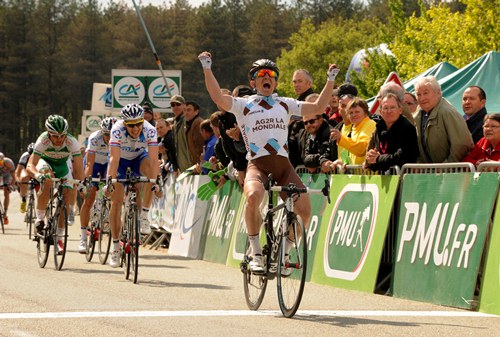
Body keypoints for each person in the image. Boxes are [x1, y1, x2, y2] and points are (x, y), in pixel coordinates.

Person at [198, 51, 339, 273]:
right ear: (253, 81)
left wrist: (330, 79)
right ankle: (255, 253)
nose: (267, 77)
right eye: (261, 74)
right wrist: (207, 67)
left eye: (272, 74)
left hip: (284, 167)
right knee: (253, 196)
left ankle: (283, 254)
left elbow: (319, 108)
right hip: (257, 165)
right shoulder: (243, 104)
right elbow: (217, 97)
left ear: (275, 81)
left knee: (304, 211)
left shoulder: (285, 103)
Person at [107, 104, 159, 268]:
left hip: (138, 158)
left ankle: (144, 215)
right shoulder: (116, 129)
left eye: (139, 124)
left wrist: (155, 181)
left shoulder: (150, 129)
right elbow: (114, 159)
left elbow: (153, 159)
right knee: (116, 201)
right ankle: (115, 247)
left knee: (150, 173)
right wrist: (110, 180)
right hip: (121, 162)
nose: (136, 128)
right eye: (131, 125)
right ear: (124, 123)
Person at [26, 115, 84, 254]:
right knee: (48, 179)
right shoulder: (43, 140)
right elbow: (30, 165)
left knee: (69, 192)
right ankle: (40, 219)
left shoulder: (72, 142)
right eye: (55, 136)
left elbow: (78, 169)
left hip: (62, 166)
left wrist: (80, 184)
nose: (59, 140)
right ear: (48, 133)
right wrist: (38, 175)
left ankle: (59, 238)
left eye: (62, 136)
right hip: (46, 163)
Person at [78, 117, 116, 253]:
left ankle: (105, 212)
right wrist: (86, 181)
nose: (108, 138)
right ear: (102, 132)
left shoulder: (119, 138)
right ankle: (82, 238)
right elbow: (89, 164)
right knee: (89, 198)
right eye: (106, 134)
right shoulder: (95, 138)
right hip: (93, 164)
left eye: (111, 134)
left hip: (108, 164)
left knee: (112, 187)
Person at [414, 76, 473, 163]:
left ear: (438, 93)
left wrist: (446, 166)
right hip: (429, 172)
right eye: (418, 94)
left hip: (450, 173)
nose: (422, 98)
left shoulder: (447, 112)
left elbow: (462, 144)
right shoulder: (418, 114)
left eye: (426, 93)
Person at [364, 93, 419, 172]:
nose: (389, 111)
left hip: (404, 180)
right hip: (384, 180)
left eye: (392, 107)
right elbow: (376, 161)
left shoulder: (407, 128)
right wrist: (371, 159)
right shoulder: (378, 129)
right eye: (385, 108)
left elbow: (403, 156)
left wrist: (378, 158)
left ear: (400, 110)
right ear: (381, 111)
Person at [330, 98, 376, 165]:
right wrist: (344, 162)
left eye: (357, 112)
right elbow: (354, 153)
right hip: (358, 174)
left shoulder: (370, 124)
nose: (353, 115)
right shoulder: (355, 127)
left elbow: (362, 149)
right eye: (351, 113)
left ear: (365, 113)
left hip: (370, 174)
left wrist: (341, 139)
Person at [302, 95, 336, 173]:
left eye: (311, 121)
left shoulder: (329, 132)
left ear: (320, 120)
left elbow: (327, 155)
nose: (308, 125)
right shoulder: (306, 134)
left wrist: (318, 161)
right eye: (305, 123)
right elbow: (305, 157)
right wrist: (318, 161)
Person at [171, 95, 191, 173]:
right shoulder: (175, 122)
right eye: (173, 105)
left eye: (178, 104)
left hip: (190, 164)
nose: (175, 107)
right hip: (181, 166)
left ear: (184, 105)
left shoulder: (187, 119)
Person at [15, 143, 35, 213]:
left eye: (33, 153)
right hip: (27, 170)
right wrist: (17, 179)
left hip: (37, 170)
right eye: (30, 153)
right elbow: (18, 170)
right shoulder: (25, 156)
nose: (31, 155)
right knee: (23, 178)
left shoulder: (41, 155)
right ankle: (23, 200)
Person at [185, 101, 205, 166]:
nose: (186, 113)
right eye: (184, 110)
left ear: (196, 112)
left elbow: (200, 146)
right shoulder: (190, 123)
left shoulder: (197, 123)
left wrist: (199, 163)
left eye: (189, 110)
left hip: (198, 164)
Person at [0, 152, 17, 224]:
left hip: (7, 176)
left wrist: (11, 186)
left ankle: (5, 213)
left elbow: (14, 177)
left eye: (0, 162)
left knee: (6, 192)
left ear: (3, 160)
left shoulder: (9, 163)